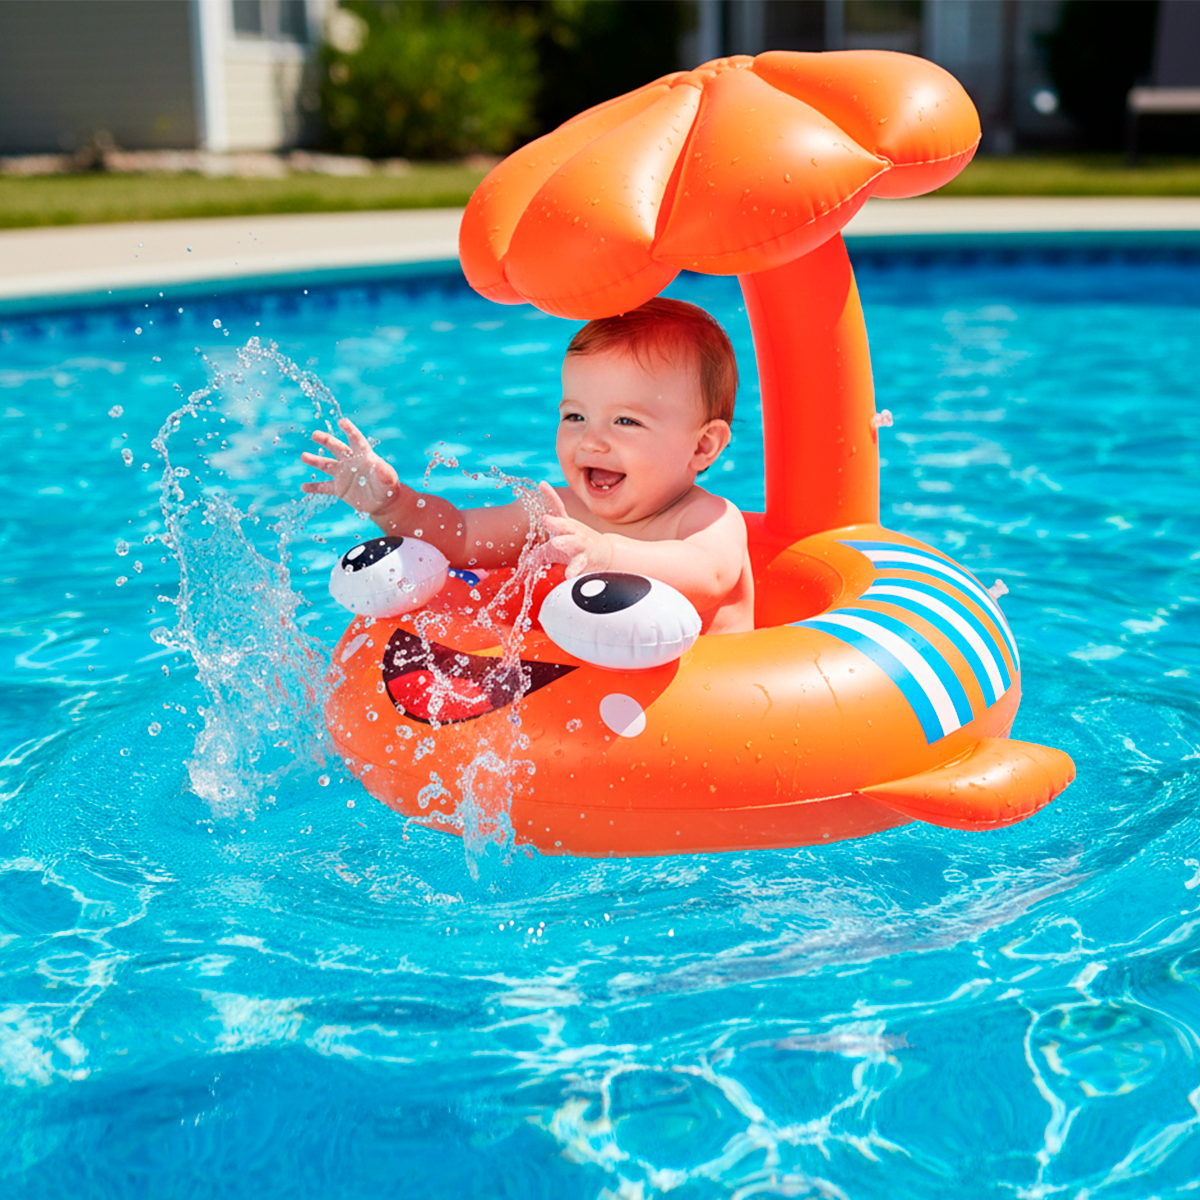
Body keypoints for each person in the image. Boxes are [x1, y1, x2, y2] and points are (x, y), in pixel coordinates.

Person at [300, 298, 754, 634]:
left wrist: (605, 555)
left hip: (706, 713)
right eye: (575, 416)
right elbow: (460, 537)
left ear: (703, 446)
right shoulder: (563, 513)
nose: (592, 440)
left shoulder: (707, 520)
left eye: (626, 421)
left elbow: (707, 575)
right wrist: (392, 504)